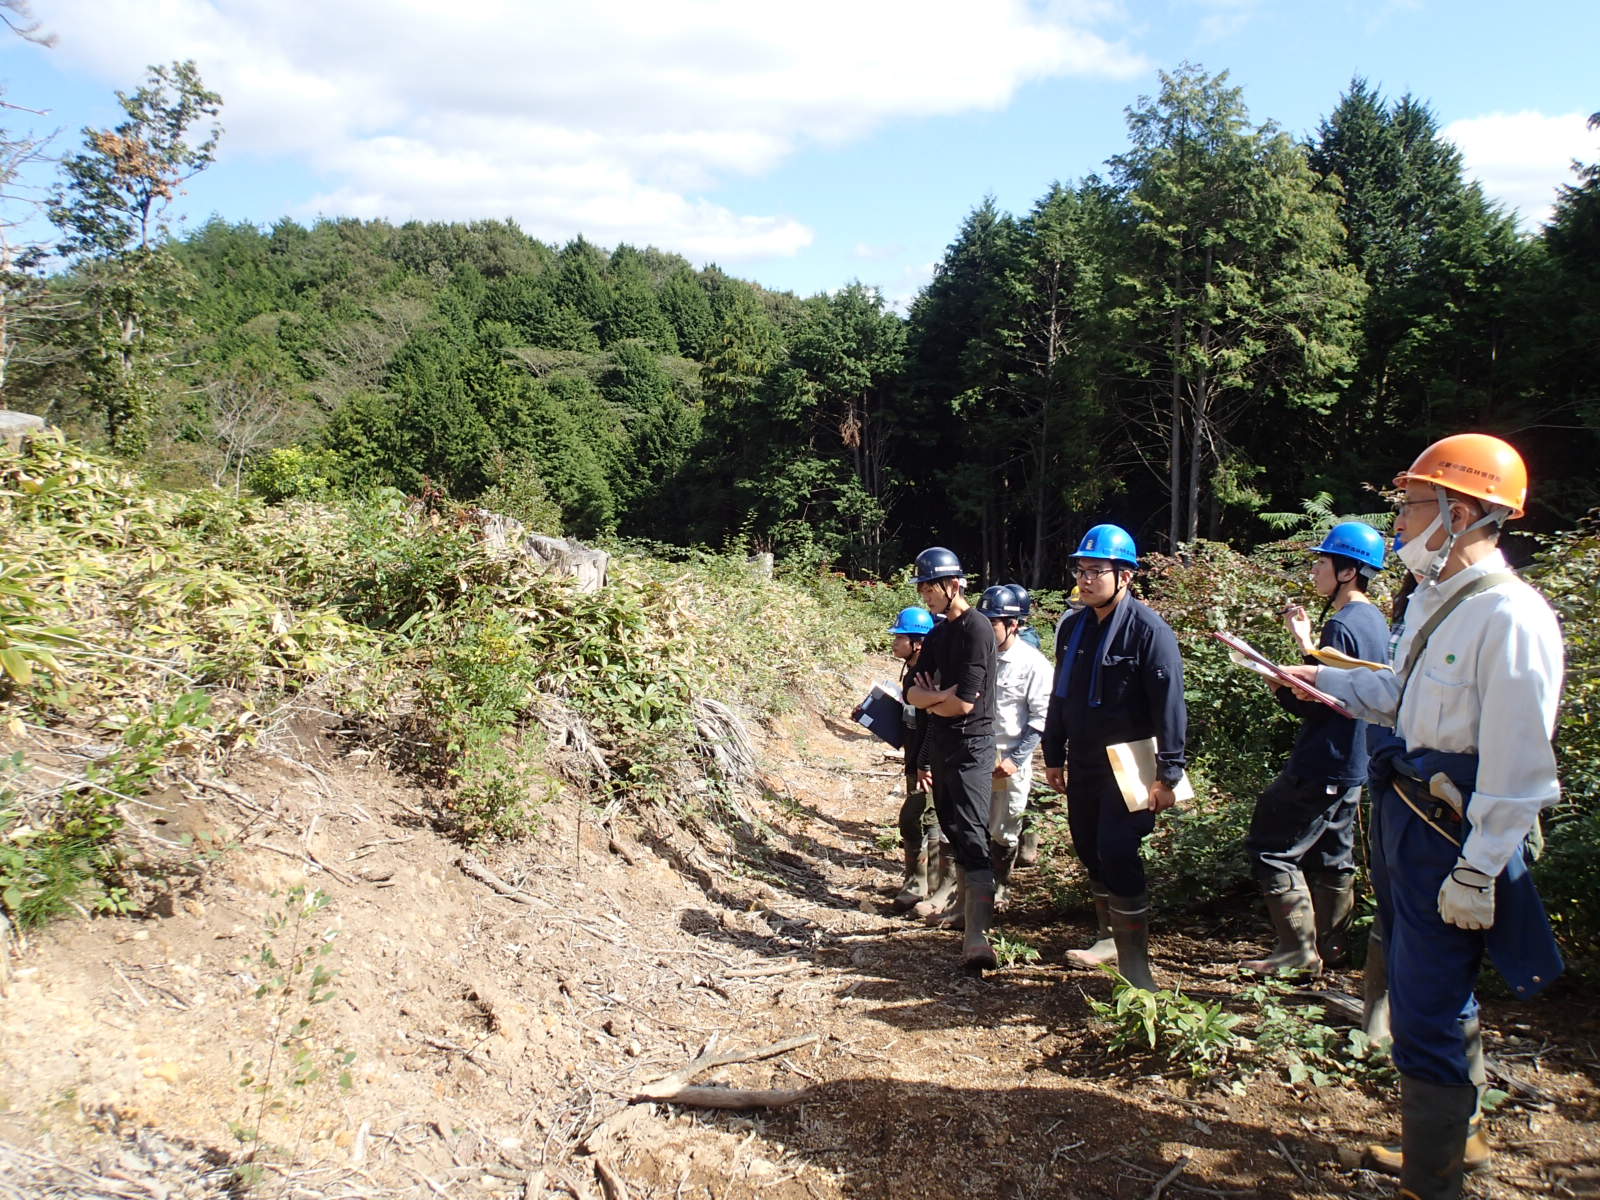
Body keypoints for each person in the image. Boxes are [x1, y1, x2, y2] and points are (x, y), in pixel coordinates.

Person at [1279, 434, 1564, 1200]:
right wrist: (1323, 683)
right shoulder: (1440, 602)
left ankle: (1431, 1183)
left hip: (1454, 836)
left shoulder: (1510, 619)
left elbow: (1520, 767)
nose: (1398, 522)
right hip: (1409, 817)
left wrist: (1479, 869)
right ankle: (1451, 1147)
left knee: (1431, 1002)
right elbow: (1404, 702)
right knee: (1421, 990)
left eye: (1410, 504)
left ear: (1460, 511)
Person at [1241, 521, 1390, 976]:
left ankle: (1298, 952)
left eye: (1322, 561)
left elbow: (1320, 704)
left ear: (1348, 571)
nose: (1315, 569)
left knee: (1270, 845)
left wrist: (1278, 682)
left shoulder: (1343, 623)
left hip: (1324, 758)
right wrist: (1306, 645)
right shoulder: (1374, 618)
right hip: (1356, 763)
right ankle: (1332, 950)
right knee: (1333, 855)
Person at [1042, 525, 1187, 992]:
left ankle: (1136, 966)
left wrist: (1170, 772)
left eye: (1096, 571)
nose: (1085, 580)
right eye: (1081, 570)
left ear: (1125, 576)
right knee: (1088, 847)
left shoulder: (1149, 631)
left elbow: (1170, 706)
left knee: (1119, 851)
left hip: (1131, 764)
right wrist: (1052, 753)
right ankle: (1107, 937)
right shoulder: (1073, 626)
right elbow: (1059, 697)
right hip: (1083, 758)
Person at [903, 547, 1000, 971]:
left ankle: (978, 936)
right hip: (943, 745)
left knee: (973, 832)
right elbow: (913, 693)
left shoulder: (978, 629)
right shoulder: (940, 633)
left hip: (973, 745)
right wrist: (936, 698)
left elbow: (963, 704)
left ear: (954, 584)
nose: (926, 595)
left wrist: (937, 698)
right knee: (953, 827)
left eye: (930, 587)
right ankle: (961, 910)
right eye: (922, 588)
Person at [974, 584, 1052, 905]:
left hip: (1008, 758)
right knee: (973, 825)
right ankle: (975, 891)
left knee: (1005, 827)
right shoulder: (976, 656)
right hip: (976, 754)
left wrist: (1017, 759)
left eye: (992, 624)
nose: (986, 630)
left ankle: (1001, 887)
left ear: (1013, 624)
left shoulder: (1032, 664)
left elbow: (1040, 719)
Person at [872, 606, 939, 912]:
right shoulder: (912, 670)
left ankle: (922, 884)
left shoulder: (928, 674)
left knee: (915, 820)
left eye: (900, 637)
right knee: (925, 821)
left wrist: (926, 761)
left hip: (928, 762)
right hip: (915, 759)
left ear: (918, 642)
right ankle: (919, 882)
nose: (894, 642)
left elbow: (935, 722)